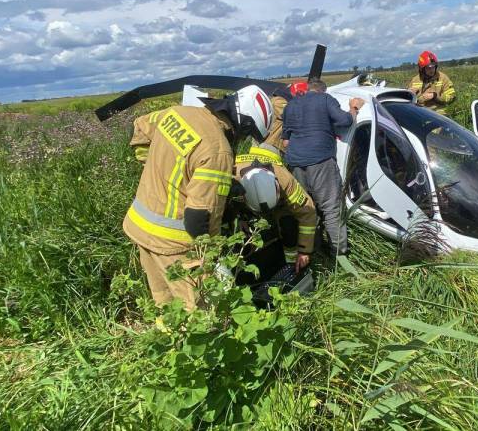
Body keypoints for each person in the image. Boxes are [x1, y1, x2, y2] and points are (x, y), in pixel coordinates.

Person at [124, 85, 275, 310]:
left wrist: (154, 167)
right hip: (173, 243)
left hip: (140, 226)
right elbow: (198, 219)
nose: (243, 139)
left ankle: (166, 333)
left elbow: (141, 126)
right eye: (247, 133)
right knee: (199, 311)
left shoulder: (178, 112)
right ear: (243, 124)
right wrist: (212, 259)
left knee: (165, 304)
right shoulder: (218, 151)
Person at [282, 79, 364, 256]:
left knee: (307, 209)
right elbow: (345, 121)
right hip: (320, 161)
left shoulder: (290, 106)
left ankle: (312, 250)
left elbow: (286, 141)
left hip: (295, 163)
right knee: (331, 208)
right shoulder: (325, 99)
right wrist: (354, 108)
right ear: (322, 90)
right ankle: (339, 253)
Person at [233, 142, 317, 273]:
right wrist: (239, 218)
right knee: (238, 236)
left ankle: (291, 264)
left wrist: (304, 251)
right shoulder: (232, 177)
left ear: (277, 186)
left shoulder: (285, 180)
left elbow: (307, 211)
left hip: (280, 203)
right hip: (244, 207)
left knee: (288, 226)